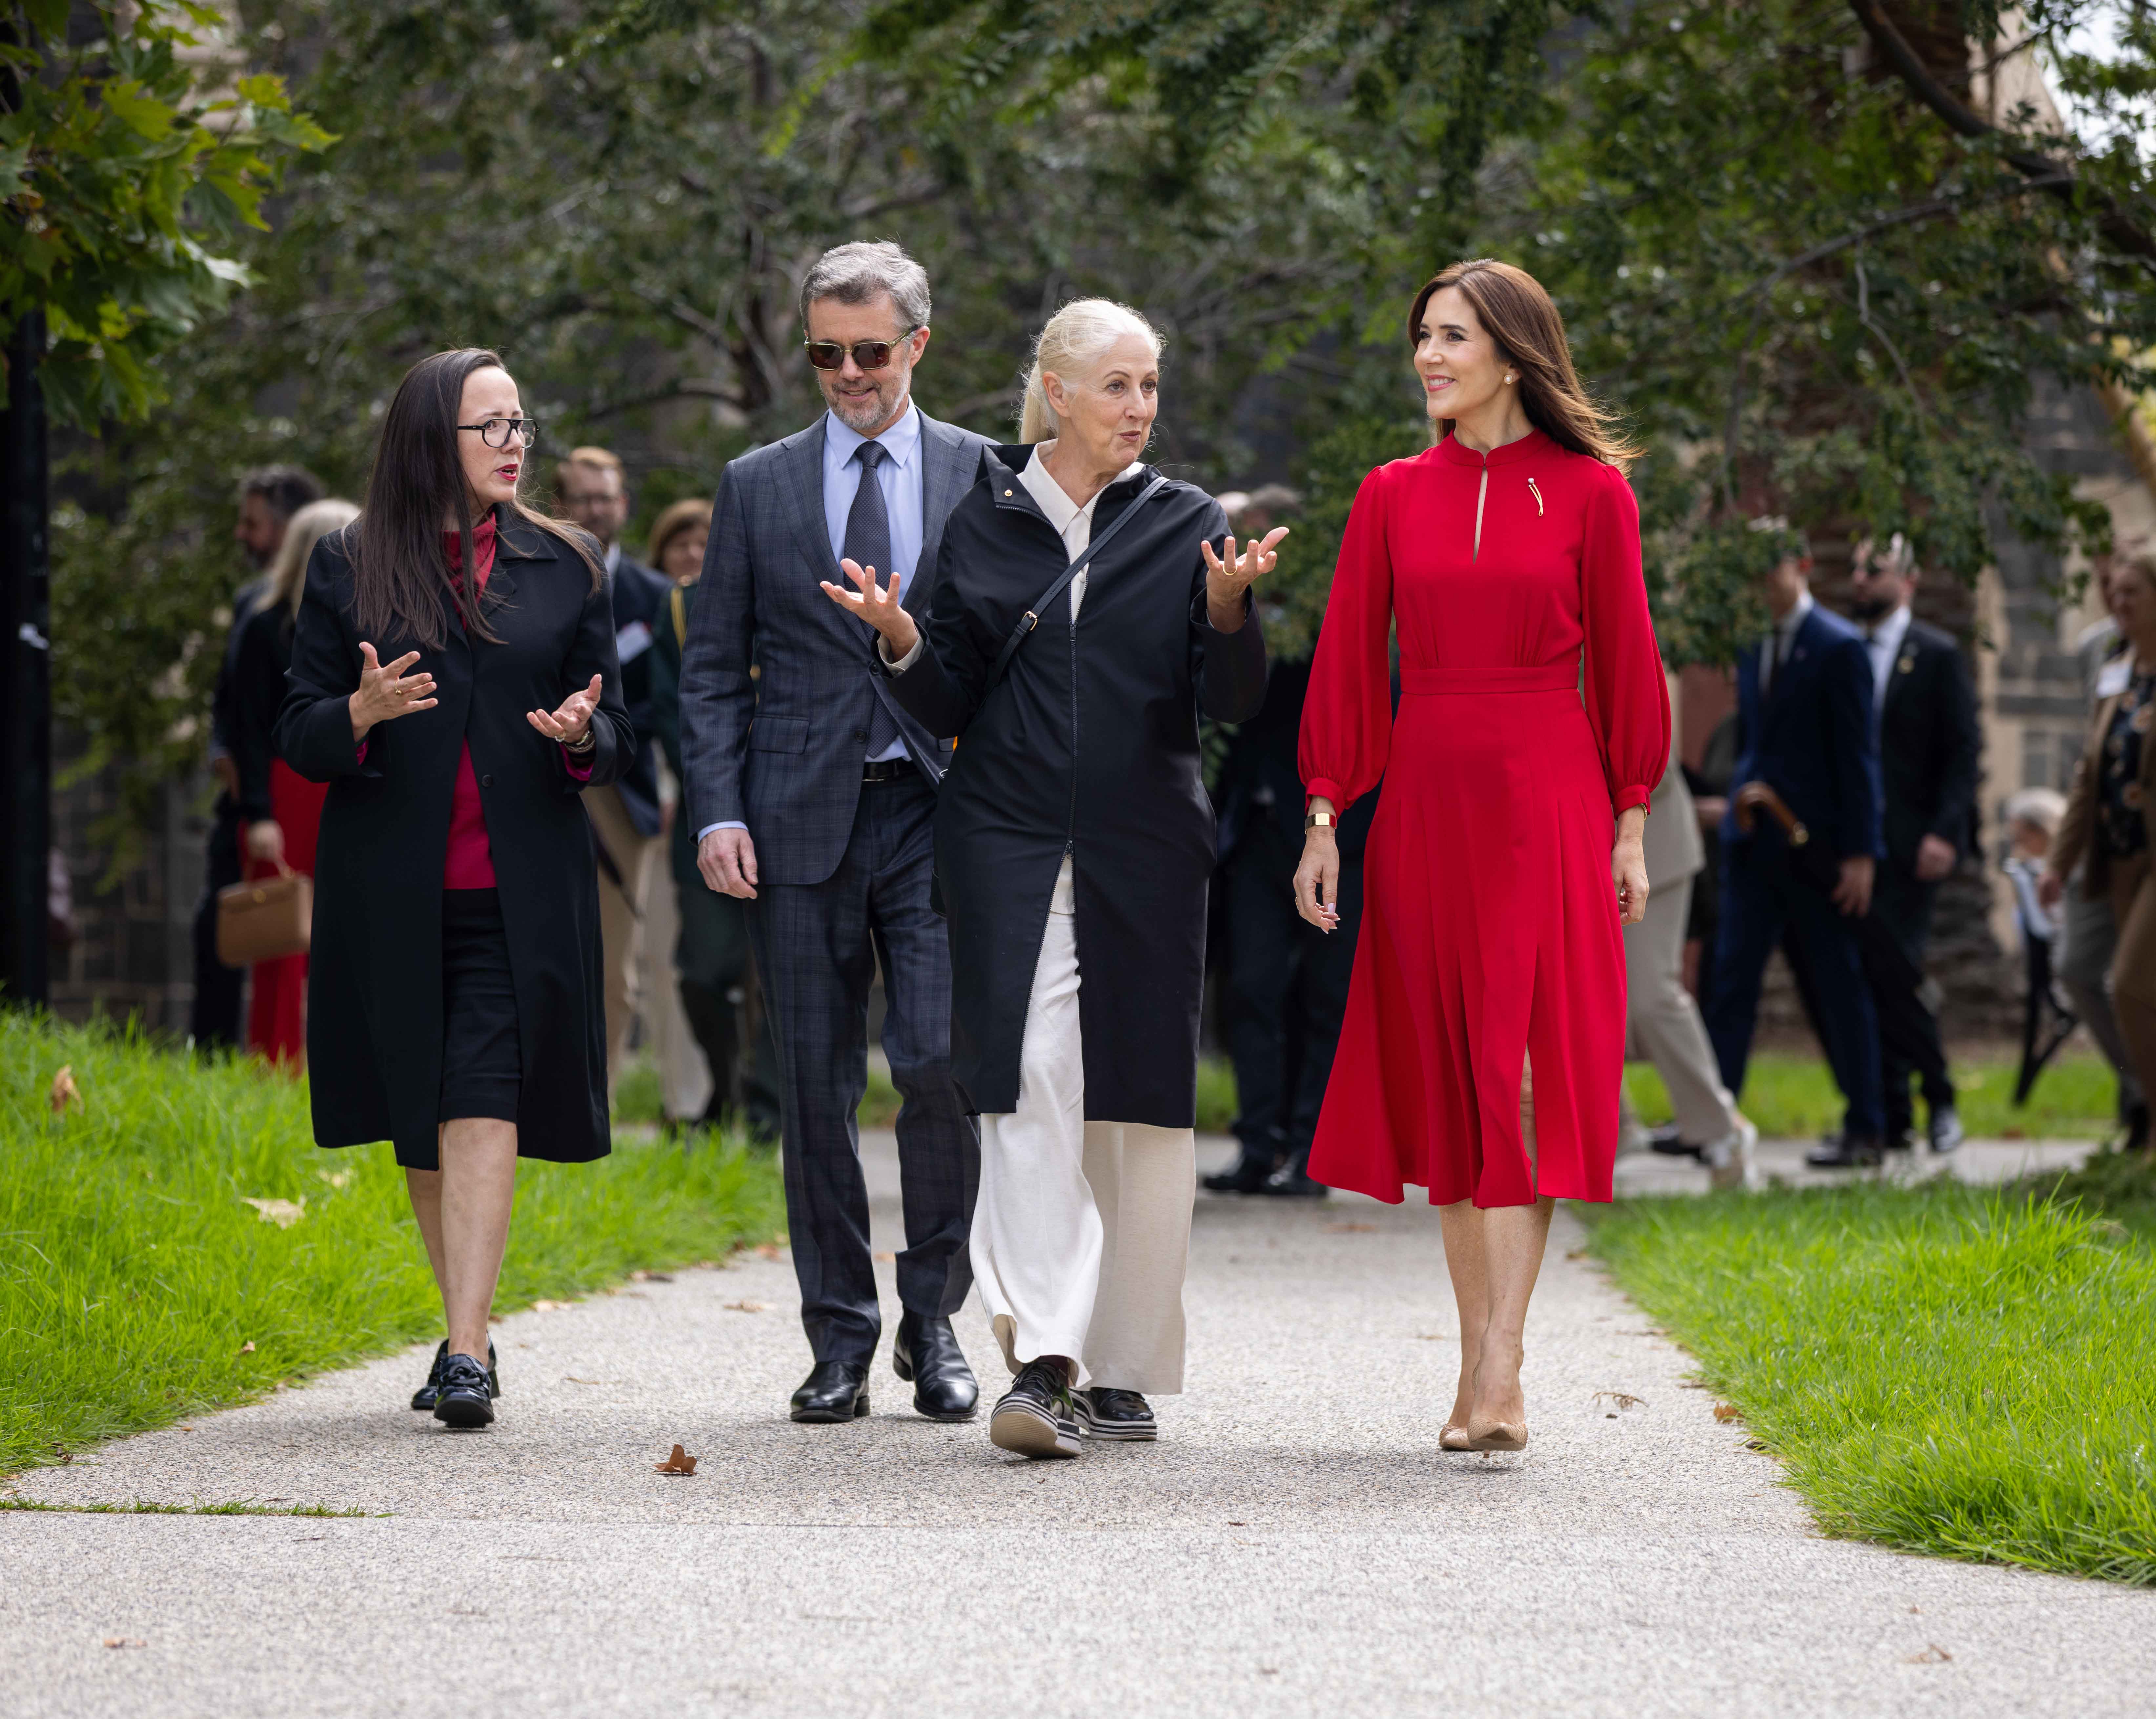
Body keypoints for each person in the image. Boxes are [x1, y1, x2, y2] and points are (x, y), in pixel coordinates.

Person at [830, 297, 1275, 1458]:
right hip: (1009, 843)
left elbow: (1229, 701)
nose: (1141, 408)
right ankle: (1044, 1354)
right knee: (1023, 1079)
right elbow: (944, 703)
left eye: (1151, 387)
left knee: (1133, 1103)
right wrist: (901, 639)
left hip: (1145, 847)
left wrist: (1230, 613)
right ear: (1059, 390)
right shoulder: (982, 516)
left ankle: (1121, 1368)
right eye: (1119, 385)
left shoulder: (1185, 521)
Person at [1292, 259, 1669, 1456]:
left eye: (1451, 337)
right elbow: (1352, 660)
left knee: (1522, 1071)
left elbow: (1626, 662)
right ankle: (1477, 1363)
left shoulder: (1594, 494)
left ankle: (1504, 1359)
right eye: (1422, 338)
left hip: (1549, 794)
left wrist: (1630, 818)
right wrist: (1322, 818)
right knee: (1458, 1077)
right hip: (1427, 806)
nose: (1428, 357)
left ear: (1511, 352)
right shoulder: (1389, 492)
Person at [275, 348, 631, 1428]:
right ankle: (461, 1328)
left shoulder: (568, 563)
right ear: (435, 439)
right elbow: (295, 729)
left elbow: (617, 731)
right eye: (491, 426)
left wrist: (582, 737)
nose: (516, 441)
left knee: (483, 1094)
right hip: (391, 894)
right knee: (421, 1118)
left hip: (516, 895)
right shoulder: (347, 564)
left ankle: (468, 1352)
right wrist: (361, 714)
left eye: (521, 421)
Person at [678, 241, 989, 1425]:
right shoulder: (756, 481)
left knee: (933, 1066)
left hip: (938, 811)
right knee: (812, 1086)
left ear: (917, 342)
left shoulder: (981, 472)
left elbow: (1005, 658)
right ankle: (839, 1339)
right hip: (796, 819)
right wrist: (715, 807)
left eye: (869, 351)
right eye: (824, 352)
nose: (848, 374)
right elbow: (710, 670)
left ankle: (935, 1320)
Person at [1702, 524, 1888, 1169]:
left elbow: (1857, 758)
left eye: (1769, 566)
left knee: (1835, 985)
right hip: (1752, 846)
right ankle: (1712, 1120)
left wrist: (1861, 854)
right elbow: (1755, 741)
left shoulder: (1837, 647)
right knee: (1729, 984)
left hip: (1817, 851)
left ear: (1802, 564)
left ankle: (1866, 1125)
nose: (1759, 579)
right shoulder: (1752, 642)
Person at [1841, 531, 1980, 1153]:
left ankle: (1940, 1097)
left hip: (1911, 846)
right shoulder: (1843, 652)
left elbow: (1962, 752)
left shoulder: (1937, 654)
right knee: (1867, 980)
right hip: (1853, 847)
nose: (1861, 580)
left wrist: (1943, 834)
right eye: (1856, 570)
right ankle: (1889, 1116)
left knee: (1898, 973)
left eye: (1877, 569)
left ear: (1910, 581)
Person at [648, 497, 781, 1137]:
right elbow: (675, 710)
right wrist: (721, 791)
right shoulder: (679, 604)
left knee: (787, 974)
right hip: (713, 811)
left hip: (793, 811)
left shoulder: (803, 584)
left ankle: (766, 1115)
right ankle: (725, 1090)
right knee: (702, 970)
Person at [191, 465, 323, 1050]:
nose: (242, 535)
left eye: (252, 523)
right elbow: (236, 709)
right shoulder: (259, 613)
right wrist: (235, 769)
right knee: (241, 927)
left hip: (308, 790)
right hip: (264, 793)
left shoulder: (338, 613)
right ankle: (223, 1054)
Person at [228, 498, 361, 1066]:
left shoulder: (367, 623)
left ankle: (346, 1062)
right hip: (286, 792)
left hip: (348, 785)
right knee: (284, 939)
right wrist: (258, 815)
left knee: (352, 928)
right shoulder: (264, 626)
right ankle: (276, 1066)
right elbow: (247, 731)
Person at [557, 446, 672, 1098]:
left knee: (611, 959)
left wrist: (599, 730)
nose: (597, 511)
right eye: (583, 499)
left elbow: (671, 696)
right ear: (560, 506)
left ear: (623, 505)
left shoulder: (655, 597)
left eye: (606, 499)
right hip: (543, 780)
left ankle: (595, 1097)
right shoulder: (536, 580)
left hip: (619, 791)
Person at [2044, 548, 2156, 1146]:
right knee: (2080, 969)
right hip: (2111, 855)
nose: (2118, 603)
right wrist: (2058, 862)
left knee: (2131, 984)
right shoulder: (2114, 667)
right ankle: (2141, 1101)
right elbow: (2087, 772)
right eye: (2113, 592)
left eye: (2131, 592)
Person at [1620, 704, 1758, 1188]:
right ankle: (1614, 1131)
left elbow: (1647, 754)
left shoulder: (1605, 634)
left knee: (1650, 1000)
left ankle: (1724, 1130)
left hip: (1650, 849)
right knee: (1570, 991)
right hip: (1573, 845)